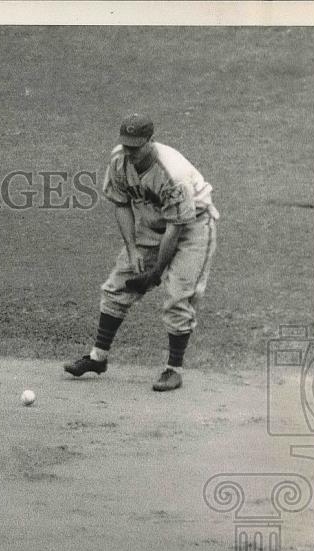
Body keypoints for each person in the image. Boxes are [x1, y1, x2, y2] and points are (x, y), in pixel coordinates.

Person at [64, 113, 220, 391]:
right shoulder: (119, 160)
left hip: (192, 227)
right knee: (117, 286)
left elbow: (175, 229)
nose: (130, 152)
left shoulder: (172, 173)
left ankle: (173, 370)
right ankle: (97, 358)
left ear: (150, 140)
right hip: (152, 224)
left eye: (136, 146)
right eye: (126, 145)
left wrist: (155, 273)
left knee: (178, 296)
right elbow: (121, 204)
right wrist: (133, 249)